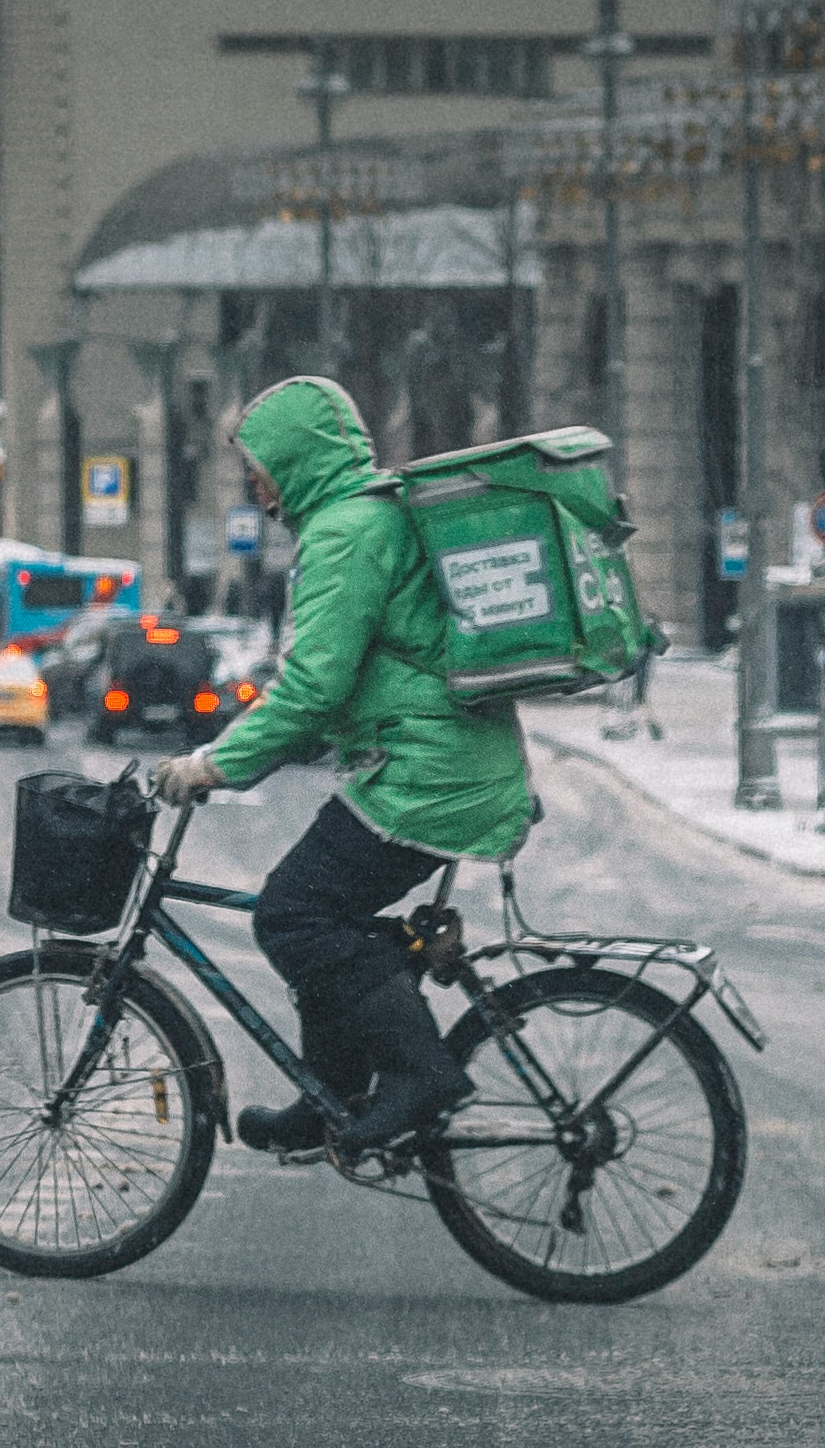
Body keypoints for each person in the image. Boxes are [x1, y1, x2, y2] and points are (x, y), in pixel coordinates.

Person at [151, 377, 535, 1158]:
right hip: (435, 764)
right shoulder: (362, 516)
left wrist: (212, 765)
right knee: (322, 919)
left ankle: (420, 1074)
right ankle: (332, 1097)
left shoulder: (346, 532)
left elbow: (313, 688)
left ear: (294, 459)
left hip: (428, 775)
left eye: (258, 465)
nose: (253, 485)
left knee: (292, 913)